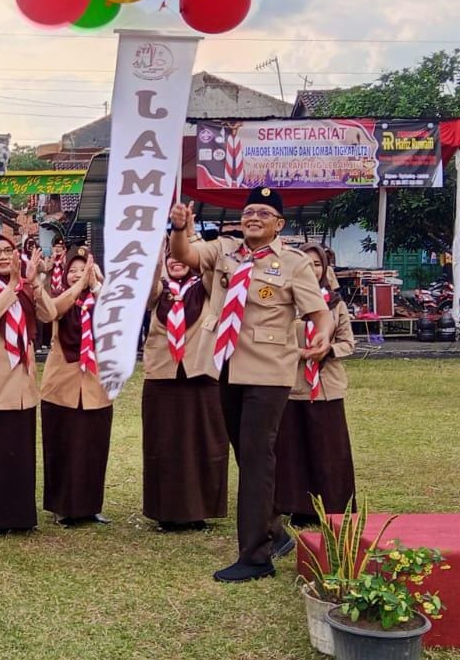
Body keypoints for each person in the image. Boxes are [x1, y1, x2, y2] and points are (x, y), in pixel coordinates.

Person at [168, 187, 333, 582]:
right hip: (226, 363)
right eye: (248, 212)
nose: (253, 218)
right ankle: (275, 531)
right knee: (246, 453)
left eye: (263, 213)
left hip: (268, 369)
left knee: (258, 457)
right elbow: (184, 255)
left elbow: (319, 312)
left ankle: (256, 556)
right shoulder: (225, 250)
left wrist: (324, 336)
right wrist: (178, 228)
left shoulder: (293, 263)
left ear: (279, 224)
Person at [0, 234, 54, 534]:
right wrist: (13, 284)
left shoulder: (26, 285)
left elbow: (49, 314)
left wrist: (34, 282)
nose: (4, 257)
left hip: (21, 378)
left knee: (20, 446)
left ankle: (20, 516)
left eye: (8, 251)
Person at [141, 254, 229, 532]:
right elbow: (147, 292)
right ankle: (166, 511)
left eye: (182, 258)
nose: (176, 262)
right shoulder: (160, 291)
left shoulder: (205, 287)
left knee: (202, 445)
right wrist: (157, 260)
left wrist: (193, 248)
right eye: (171, 259)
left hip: (200, 376)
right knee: (164, 446)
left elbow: (215, 269)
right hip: (163, 377)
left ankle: (199, 510)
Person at [274, 243, 357, 526]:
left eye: (317, 264)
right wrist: (298, 352)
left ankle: (333, 506)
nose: (312, 269)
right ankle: (298, 507)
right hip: (292, 385)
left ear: (325, 269)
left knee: (329, 449)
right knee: (294, 449)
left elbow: (348, 343)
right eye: (306, 264)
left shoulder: (335, 304)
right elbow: (274, 339)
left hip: (326, 387)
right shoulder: (285, 303)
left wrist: (328, 350)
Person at [41, 247, 112, 527]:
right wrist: (80, 285)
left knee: (93, 446)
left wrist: (97, 286)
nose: (78, 275)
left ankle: (91, 506)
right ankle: (62, 507)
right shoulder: (59, 296)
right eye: (73, 270)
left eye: (84, 269)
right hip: (62, 384)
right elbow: (53, 311)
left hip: (96, 385)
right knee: (62, 445)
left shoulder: (101, 298)